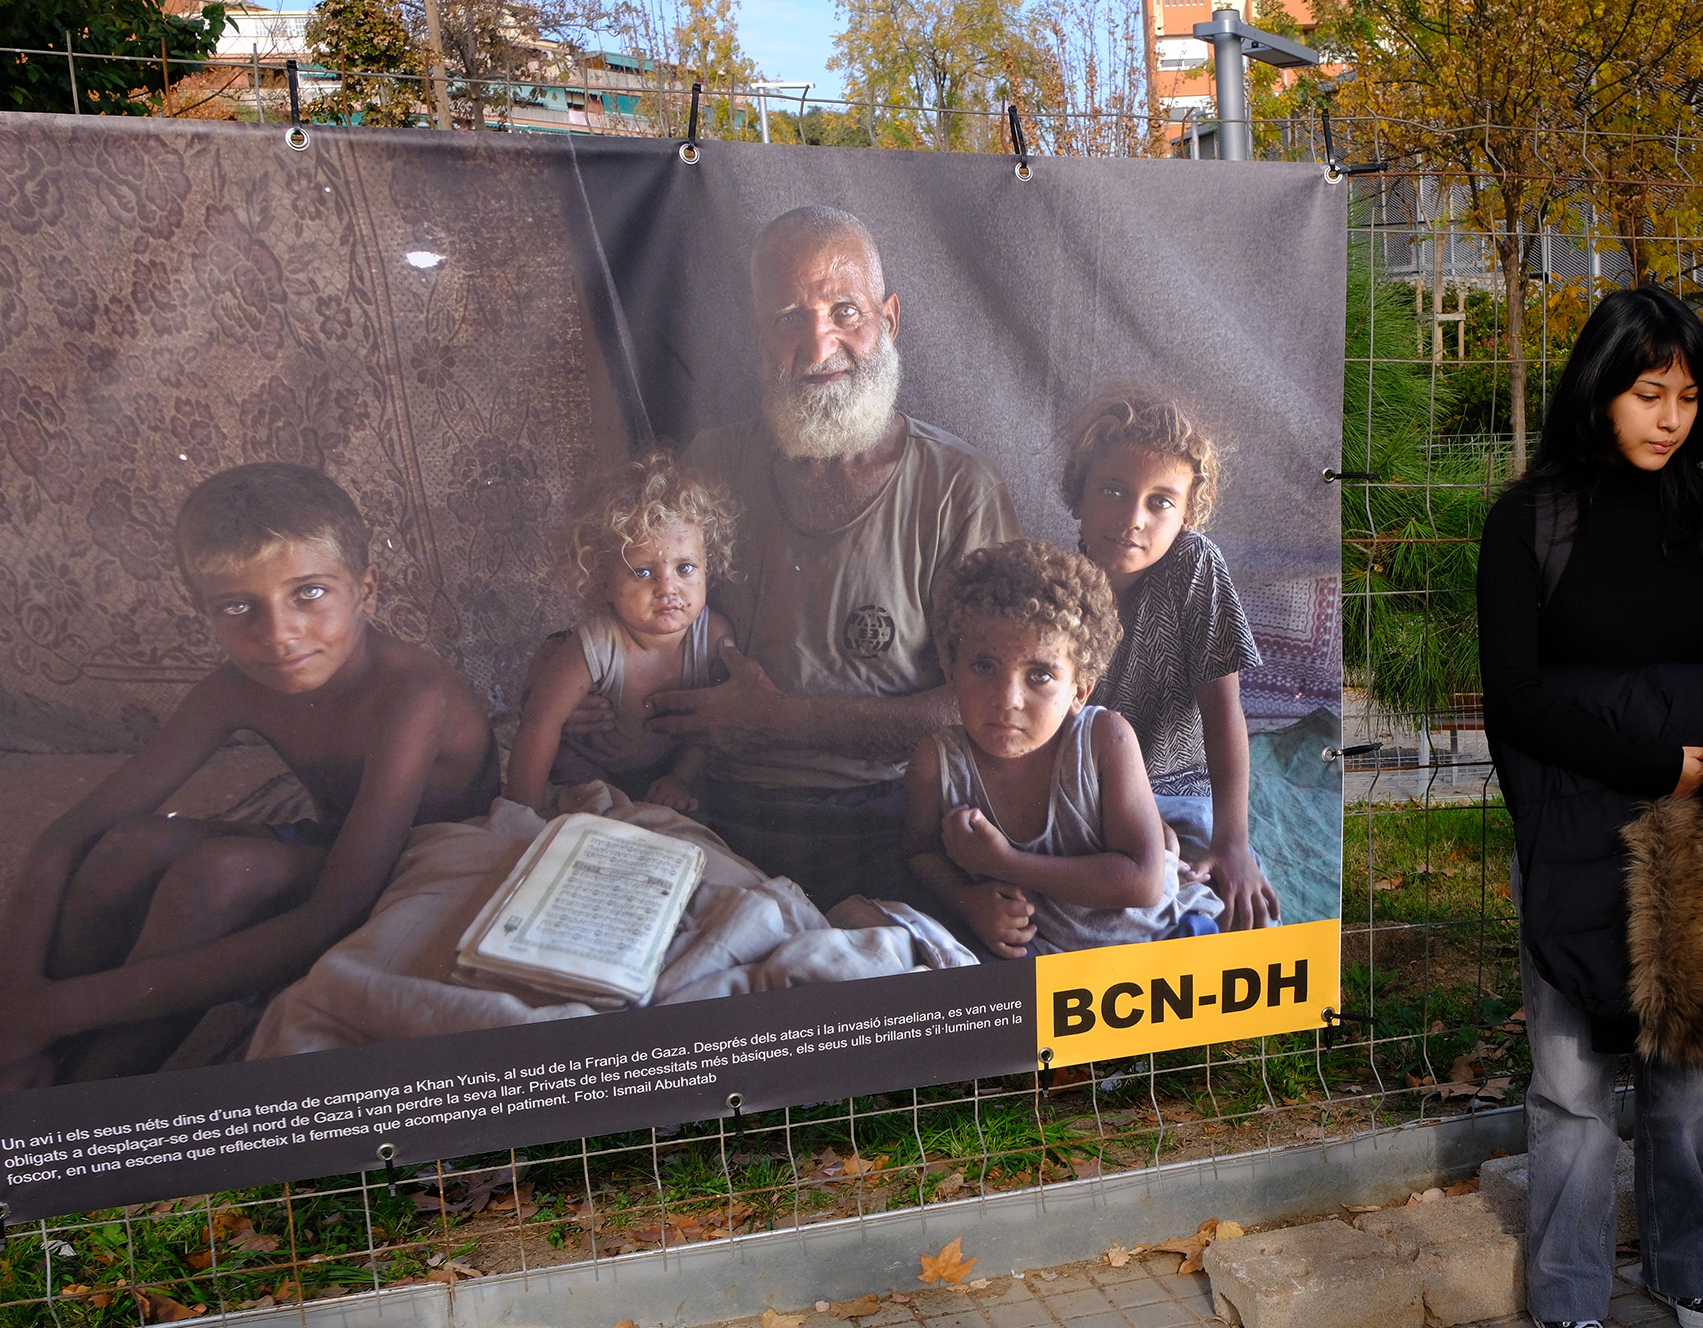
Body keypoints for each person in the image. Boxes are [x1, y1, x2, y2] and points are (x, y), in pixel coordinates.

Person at [556, 204, 1022, 910]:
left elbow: (995, 705)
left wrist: (785, 722)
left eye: (844, 311)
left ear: (889, 319)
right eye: (788, 318)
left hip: (894, 816)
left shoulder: (959, 489)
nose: (818, 344)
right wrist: (593, 691)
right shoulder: (712, 463)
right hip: (710, 800)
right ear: (758, 335)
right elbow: (643, 623)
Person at [0, 465, 498, 1086]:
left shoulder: (412, 692)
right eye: (236, 606)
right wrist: (14, 989)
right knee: (129, 845)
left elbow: (338, 907)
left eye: (308, 593)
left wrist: (58, 1010)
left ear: (366, 590)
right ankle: (21, 1053)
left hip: (431, 871)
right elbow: (73, 832)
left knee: (220, 872)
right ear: (203, 610)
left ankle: (84, 1092)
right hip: (333, 852)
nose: (278, 634)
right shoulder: (234, 688)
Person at [1475, 285, 1703, 1328]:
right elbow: (1514, 699)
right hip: (1571, 833)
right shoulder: (1532, 521)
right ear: (1599, 391)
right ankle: (1569, 1289)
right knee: (1572, 1080)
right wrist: (1649, 760)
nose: (1669, 418)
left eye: (1686, 396)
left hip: (1688, 837)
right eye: (1648, 393)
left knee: (1688, 1076)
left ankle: (1685, 1265)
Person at [903, 540, 1221, 958]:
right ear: (951, 671)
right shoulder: (937, 765)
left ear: (1080, 690)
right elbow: (921, 854)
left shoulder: (1104, 739)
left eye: (1039, 675)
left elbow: (1145, 884)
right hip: (1044, 959)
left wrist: (1003, 863)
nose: (1007, 698)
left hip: (1162, 934)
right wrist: (969, 903)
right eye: (984, 667)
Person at [1060, 390, 1278, 931]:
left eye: (1160, 502)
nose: (1133, 518)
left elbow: (1223, 709)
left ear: (1186, 516)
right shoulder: (1056, 585)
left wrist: (1232, 844)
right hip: (1088, 795)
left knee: (1240, 917)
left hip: (1178, 787)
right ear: (1078, 496)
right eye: (1113, 491)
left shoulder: (1192, 564)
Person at [506, 452, 739, 814]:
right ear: (604, 581)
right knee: (584, 799)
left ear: (707, 566)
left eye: (685, 568)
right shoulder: (596, 643)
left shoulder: (713, 639)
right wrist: (522, 817)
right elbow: (540, 722)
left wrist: (680, 777)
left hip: (664, 770)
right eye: (643, 572)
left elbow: (714, 725)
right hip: (587, 766)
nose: (668, 588)